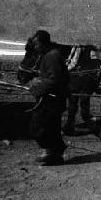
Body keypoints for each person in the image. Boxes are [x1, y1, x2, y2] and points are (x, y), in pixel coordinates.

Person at [28, 30, 70, 165]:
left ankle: (51, 152)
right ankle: (54, 155)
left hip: (52, 99)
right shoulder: (50, 54)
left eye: (36, 44)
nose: (35, 47)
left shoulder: (52, 56)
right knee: (52, 127)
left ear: (42, 44)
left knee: (38, 126)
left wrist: (36, 87)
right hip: (53, 98)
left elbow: (54, 80)